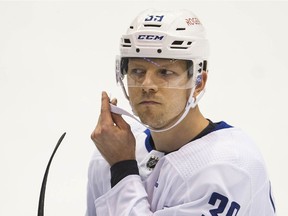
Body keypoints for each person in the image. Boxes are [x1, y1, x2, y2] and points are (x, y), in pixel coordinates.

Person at [86, 9, 276, 215]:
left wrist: (123, 168)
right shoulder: (110, 150)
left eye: (165, 72)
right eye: (137, 71)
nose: (147, 85)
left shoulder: (230, 167)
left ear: (198, 83)